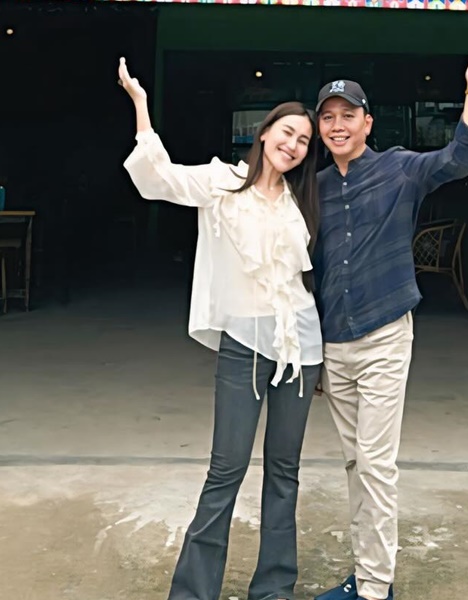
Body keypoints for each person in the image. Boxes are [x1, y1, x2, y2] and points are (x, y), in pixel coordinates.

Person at [118, 57, 324, 600]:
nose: (295, 144)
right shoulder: (223, 183)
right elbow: (158, 180)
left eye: (304, 139)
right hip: (244, 346)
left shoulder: (303, 201)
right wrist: (141, 106)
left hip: (300, 348)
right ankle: (192, 592)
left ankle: (275, 587)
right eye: (288, 132)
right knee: (225, 471)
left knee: (284, 473)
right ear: (264, 134)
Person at [312, 43, 468, 600]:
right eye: (328, 117)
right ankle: (369, 572)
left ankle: (374, 587)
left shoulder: (399, 168)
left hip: (384, 336)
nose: (338, 125)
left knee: (375, 464)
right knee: (355, 463)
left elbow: (458, 159)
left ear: (367, 122)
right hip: (334, 341)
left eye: (349, 116)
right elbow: (308, 266)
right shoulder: (316, 188)